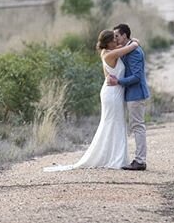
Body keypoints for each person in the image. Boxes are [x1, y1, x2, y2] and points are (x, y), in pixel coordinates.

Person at [44, 30, 139, 171]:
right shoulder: (110, 54)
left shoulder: (109, 51)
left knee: (116, 123)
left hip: (114, 91)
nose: (116, 41)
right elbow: (133, 46)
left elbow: (128, 46)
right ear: (108, 43)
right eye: (114, 39)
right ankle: (114, 158)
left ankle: (115, 156)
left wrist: (132, 41)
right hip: (112, 93)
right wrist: (134, 42)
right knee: (113, 122)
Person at [108, 24, 150, 171]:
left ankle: (140, 161)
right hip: (131, 94)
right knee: (136, 126)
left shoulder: (135, 52)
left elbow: (137, 77)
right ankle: (139, 159)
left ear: (125, 35)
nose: (115, 39)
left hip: (136, 94)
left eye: (117, 36)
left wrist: (118, 82)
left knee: (138, 126)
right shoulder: (128, 48)